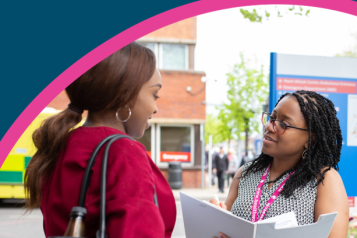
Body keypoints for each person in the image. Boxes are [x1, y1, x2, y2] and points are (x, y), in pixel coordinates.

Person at [24, 42, 176, 238]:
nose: (155, 108)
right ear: (126, 96)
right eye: (155, 94)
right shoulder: (123, 151)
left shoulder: (60, 144)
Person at [212, 90, 349, 238]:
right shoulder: (245, 173)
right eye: (272, 118)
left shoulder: (324, 180)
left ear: (310, 139)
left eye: (284, 124)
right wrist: (215, 220)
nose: (270, 127)